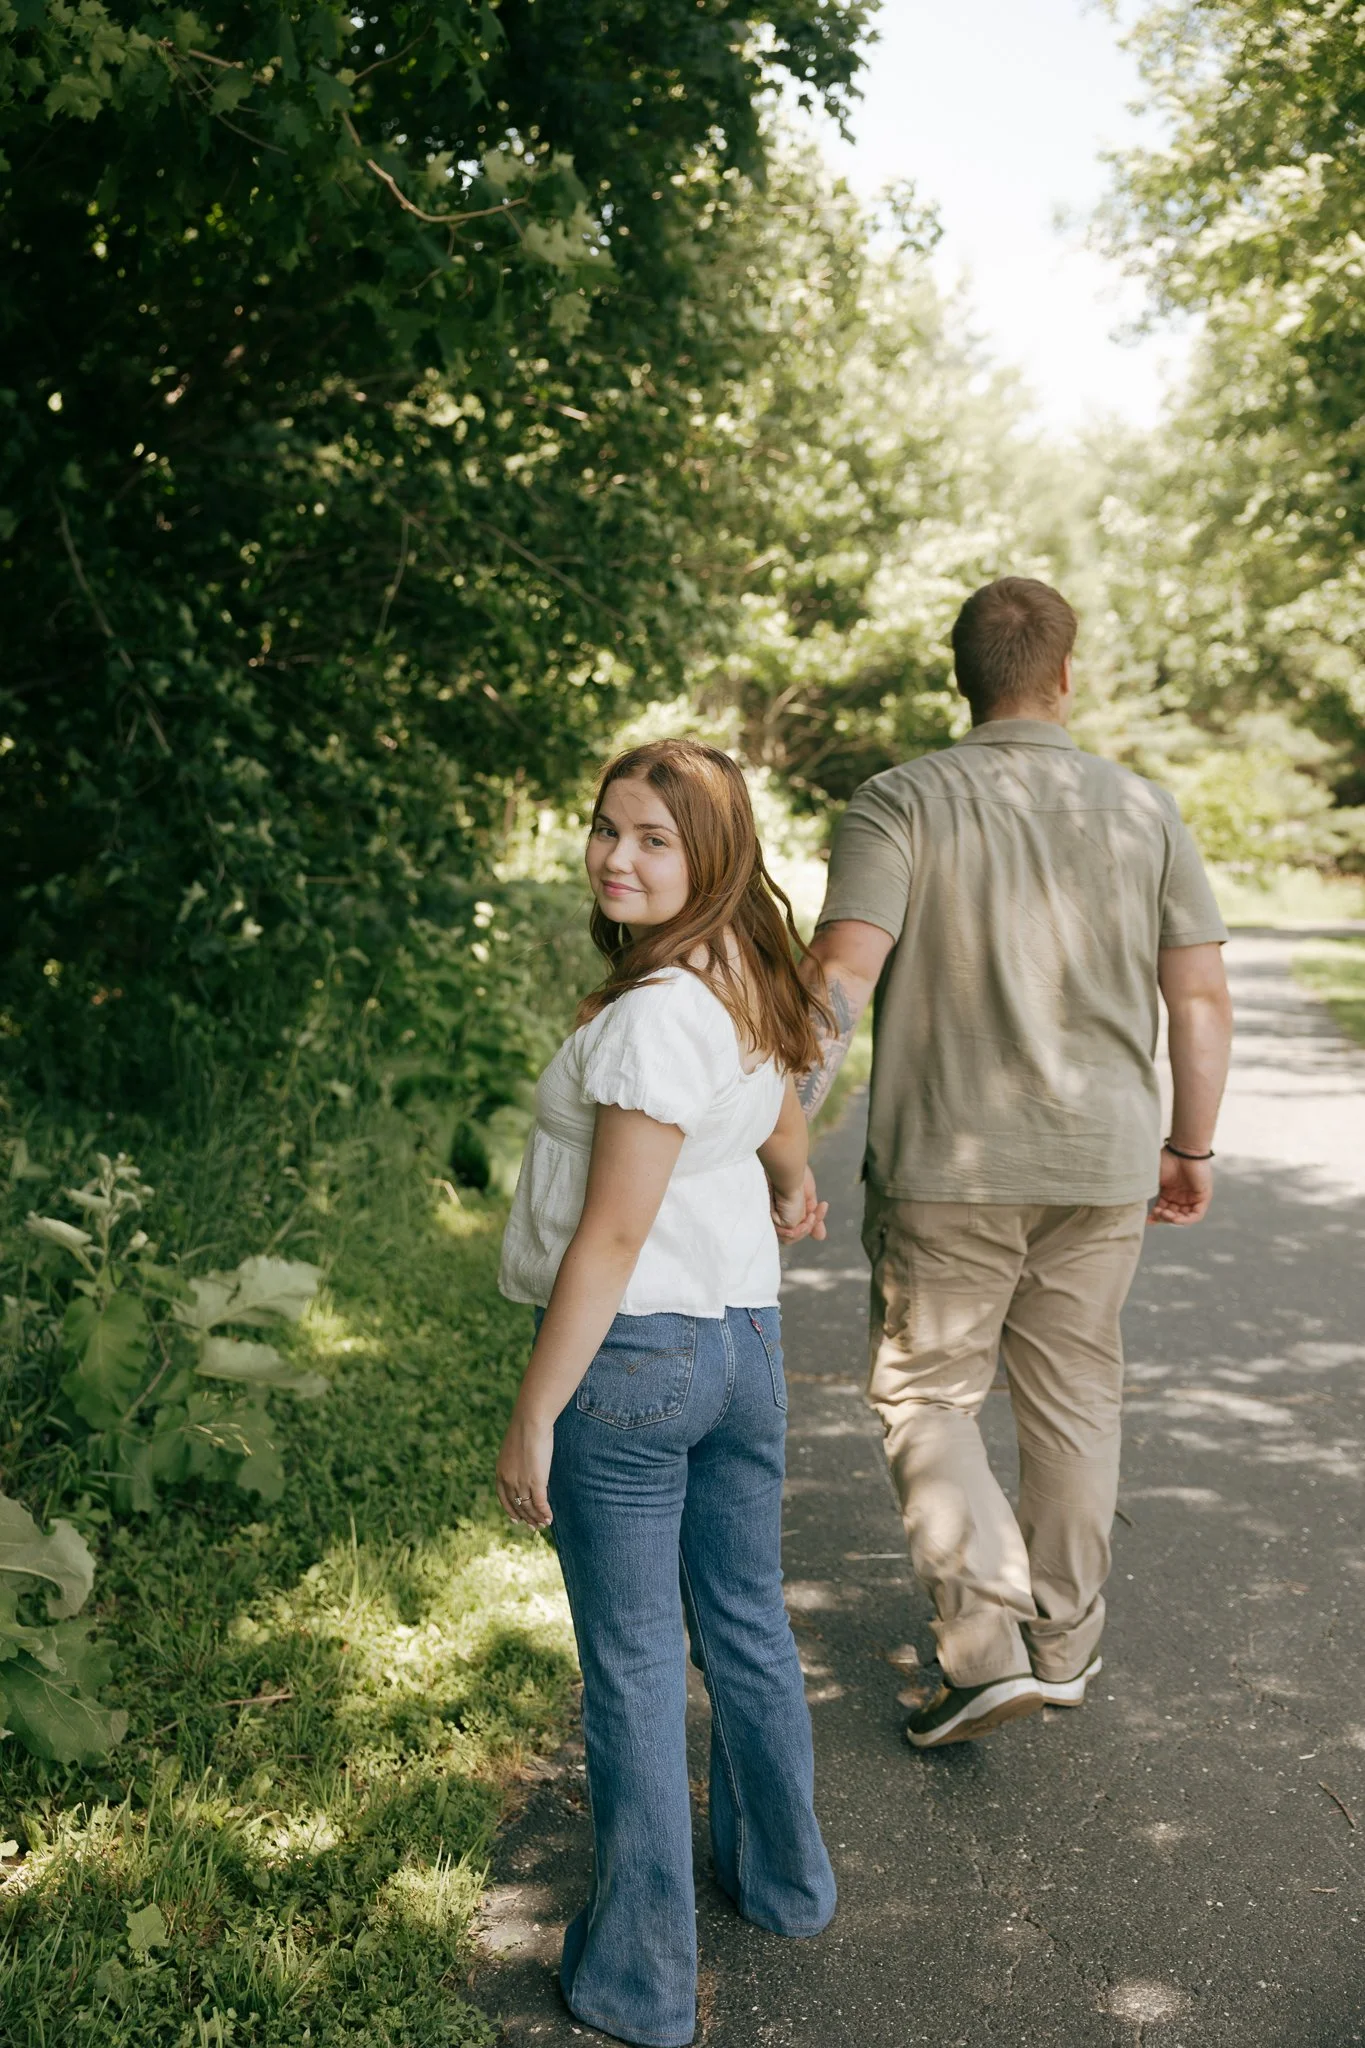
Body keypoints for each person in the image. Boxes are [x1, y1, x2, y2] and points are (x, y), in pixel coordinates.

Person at [792, 576, 1235, 1750]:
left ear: (961, 677)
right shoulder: (1145, 809)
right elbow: (1198, 996)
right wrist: (1189, 1141)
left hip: (949, 1163)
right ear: (1066, 673)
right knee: (1076, 1396)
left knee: (929, 1395)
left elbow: (839, 977)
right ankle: (1067, 1643)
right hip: (1102, 1164)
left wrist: (778, 1133)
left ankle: (984, 1648)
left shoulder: (901, 801)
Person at [496, 738, 837, 2048]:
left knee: (636, 1664)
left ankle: (640, 1984)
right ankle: (786, 1884)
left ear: (709, 857)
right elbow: (786, 1099)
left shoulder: (649, 1019)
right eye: (605, 829)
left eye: (654, 840)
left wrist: (536, 1410)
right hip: (743, 1347)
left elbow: (611, 1238)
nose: (618, 857)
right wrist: (791, 1180)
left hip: (636, 1362)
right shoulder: (744, 968)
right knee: (745, 1616)